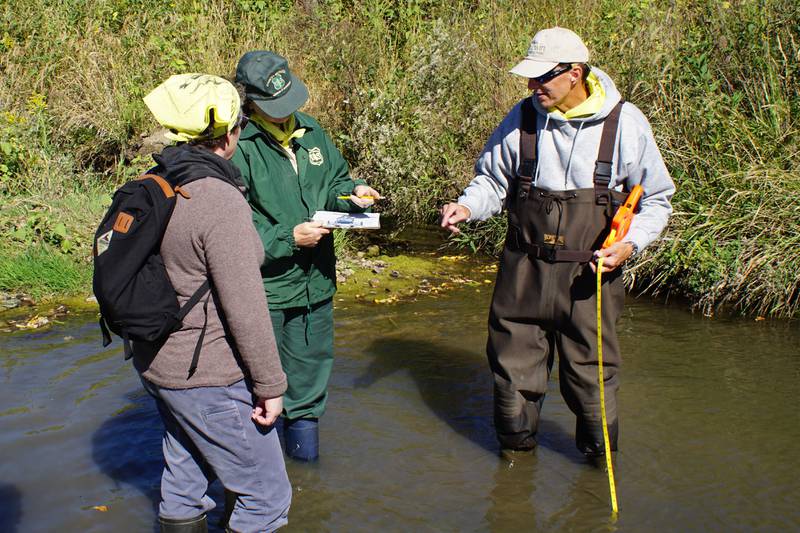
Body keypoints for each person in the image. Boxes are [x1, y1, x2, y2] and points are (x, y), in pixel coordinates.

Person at [440, 27, 675, 457]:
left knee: (593, 386)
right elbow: (493, 181)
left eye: (541, 77)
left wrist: (631, 245)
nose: (532, 87)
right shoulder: (523, 117)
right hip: (522, 274)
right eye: (529, 78)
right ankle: (512, 474)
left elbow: (657, 201)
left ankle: (598, 472)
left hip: (591, 279)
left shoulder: (626, 124)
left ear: (574, 73)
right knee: (511, 386)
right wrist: (468, 207)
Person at [136, 73, 291, 532]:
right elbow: (246, 306)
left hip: (157, 364)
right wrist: (270, 385)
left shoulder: (155, 182)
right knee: (266, 497)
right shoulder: (218, 200)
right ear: (228, 136)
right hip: (206, 374)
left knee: (186, 481)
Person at [231, 51, 381, 461]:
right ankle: (256, 484)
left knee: (310, 383)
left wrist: (355, 195)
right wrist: (288, 237)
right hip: (267, 290)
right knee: (258, 386)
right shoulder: (238, 147)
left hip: (316, 283)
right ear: (251, 102)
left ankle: (304, 471)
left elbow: (335, 182)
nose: (287, 114)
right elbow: (234, 228)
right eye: (275, 108)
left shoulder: (312, 131)